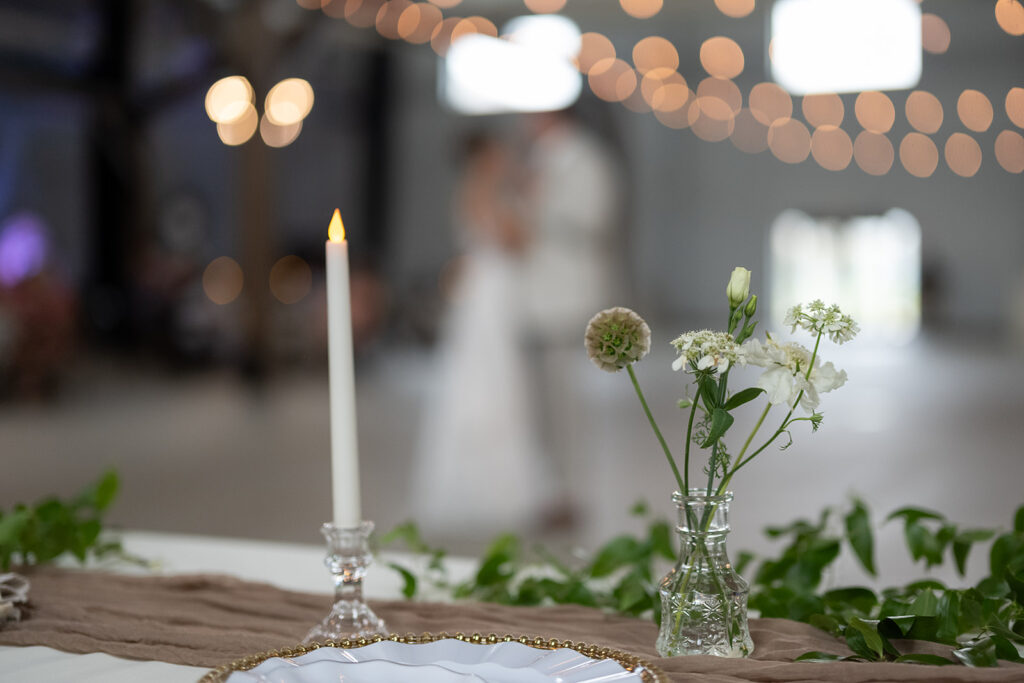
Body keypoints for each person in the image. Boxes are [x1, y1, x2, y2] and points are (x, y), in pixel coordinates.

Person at [412, 134, 548, 537]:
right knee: (494, 381)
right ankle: (496, 484)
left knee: (489, 379)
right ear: (487, 155)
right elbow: (515, 240)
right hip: (490, 293)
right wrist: (530, 201)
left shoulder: (480, 188)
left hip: (490, 290)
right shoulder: (487, 189)